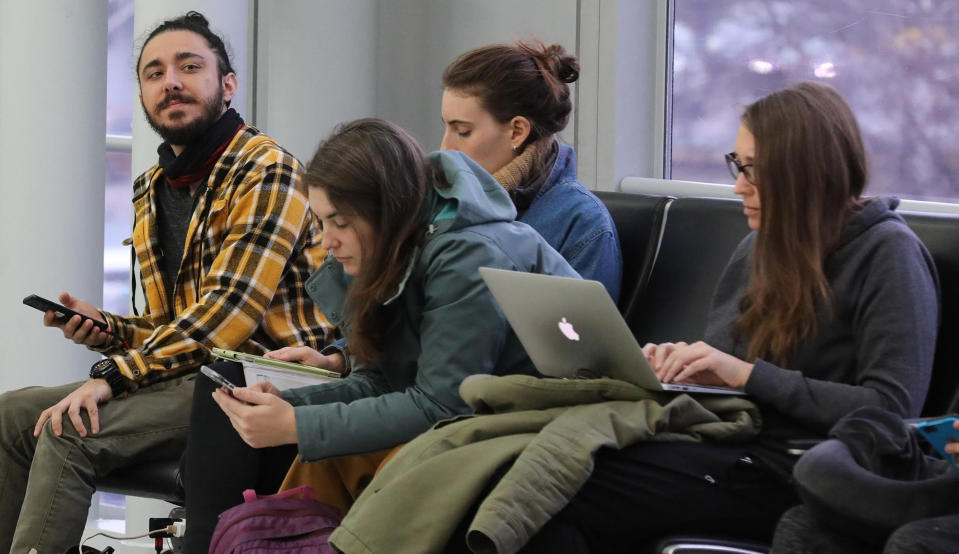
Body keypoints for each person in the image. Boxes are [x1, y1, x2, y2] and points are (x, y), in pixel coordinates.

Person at [411, 81, 936, 553]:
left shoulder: (888, 254)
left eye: (752, 170)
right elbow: (726, 375)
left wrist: (748, 376)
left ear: (803, 174)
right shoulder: (759, 248)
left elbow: (892, 410)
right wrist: (683, 367)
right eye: (738, 165)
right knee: (518, 488)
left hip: (801, 465)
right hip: (730, 441)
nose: (738, 186)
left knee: (563, 493)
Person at [0, 12, 329, 553]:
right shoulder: (152, 187)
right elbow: (172, 326)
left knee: (68, 430)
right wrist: (107, 330)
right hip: (192, 371)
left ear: (227, 85)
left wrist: (115, 373)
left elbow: (228, 315)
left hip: (259, 376)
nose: (170, 81)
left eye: (189, 66)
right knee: (13, 413)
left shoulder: (266, 169)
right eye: (153, 73)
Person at [182, 118, 579, 550]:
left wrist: (297, 422)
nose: (326, 241)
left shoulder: (466, 255)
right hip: (466, 423)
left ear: (384, 209)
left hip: (528, 426)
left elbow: (444, 405)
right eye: (321, 221)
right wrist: (288, 405)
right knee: (233, 398)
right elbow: (380, 379)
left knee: (323, 453)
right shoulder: (385, 248)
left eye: (339, 222)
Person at [440, 40, 621, 299]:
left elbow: (583, 338)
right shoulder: (443, 205)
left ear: (517, 131)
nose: (445, 148)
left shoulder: (583, 223)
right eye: (446, 127)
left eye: (462, 131)